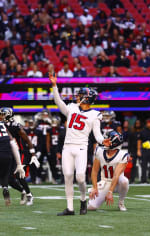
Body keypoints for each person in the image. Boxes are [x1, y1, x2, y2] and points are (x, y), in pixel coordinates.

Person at [49, 72, 110, 216]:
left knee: (81, 177)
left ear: (86, 98)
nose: (77, 97)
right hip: (67, 147)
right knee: (68, 176)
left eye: (80, 95)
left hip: (82, 147)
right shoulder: (72, 107)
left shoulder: (95, 114)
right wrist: (54, 86)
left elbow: (97, 134)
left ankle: (83, 200)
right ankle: (70, 208)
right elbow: (58, 102)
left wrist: (102, 141)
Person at [0, 107, 38, 205]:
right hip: (7, 153)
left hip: (18, 153)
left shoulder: (15, 126)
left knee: (19, 174)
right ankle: (23, 191)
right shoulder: (0, 125)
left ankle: (29, 195)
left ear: (7, 115)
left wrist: (33, 154)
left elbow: (27, 140)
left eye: (2, 114)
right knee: (9, 179)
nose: (0, 116)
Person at [88, 131, 129, 212]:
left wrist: (110, 192)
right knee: (91, 207)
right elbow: (94, 171)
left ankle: (121, 202)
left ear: (114, 143)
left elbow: (116, 175)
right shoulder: (99, 151)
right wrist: (95, 187)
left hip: (117, 182)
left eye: (107, 139)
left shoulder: (123, 155)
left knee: (124, 181)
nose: (105, 141)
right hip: (105, 181)